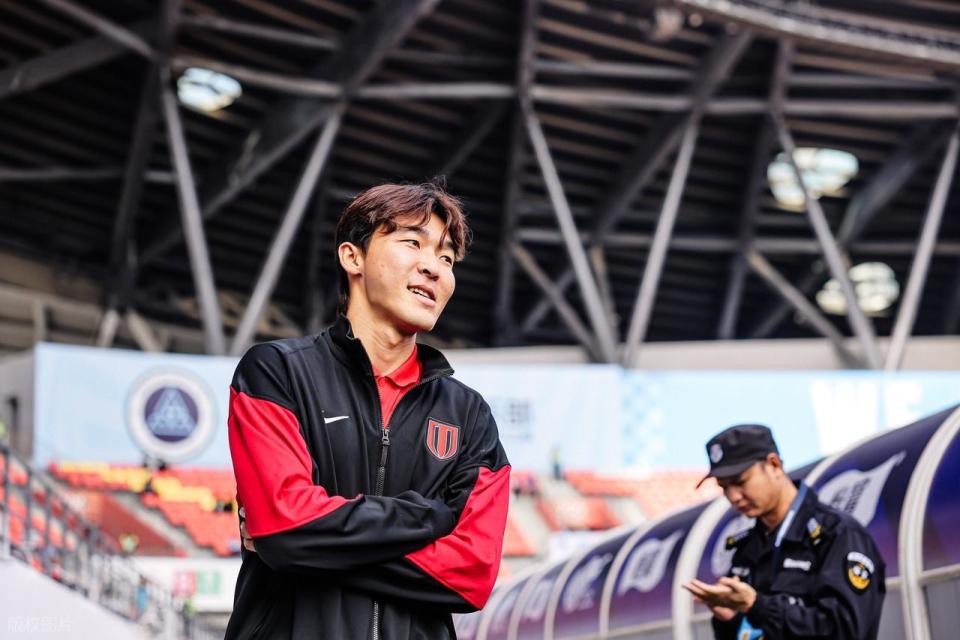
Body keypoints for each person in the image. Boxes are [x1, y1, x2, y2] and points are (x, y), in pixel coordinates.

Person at [226, 181, 511, 639]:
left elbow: (472, 574)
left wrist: (310, 544)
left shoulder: (469, 415)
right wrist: (431, 518)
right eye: (413, 243)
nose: (434, 267)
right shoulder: (275, 372)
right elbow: (285, 528)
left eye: (446, 258)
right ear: (352, 257)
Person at [684, 424, 885, 640]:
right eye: (724, 487)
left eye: (740, 482)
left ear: (774, 465)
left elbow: (845, 631)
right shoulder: (747, 548)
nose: (733, 496)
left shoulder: (837, 534)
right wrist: (729, 619)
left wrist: (757, 605)